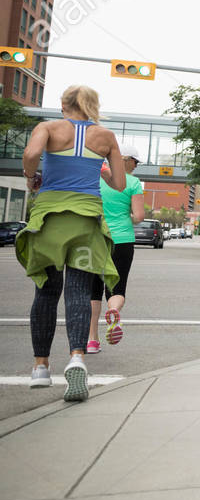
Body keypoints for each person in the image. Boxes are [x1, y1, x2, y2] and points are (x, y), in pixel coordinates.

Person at [16, 85, 126, 401]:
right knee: (78, 291)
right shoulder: (105, 137)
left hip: (50, 219)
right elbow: (119, 184)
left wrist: (30, 175)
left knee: (47, 291)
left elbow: (32, 154)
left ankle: (40, 366)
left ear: (63, 105)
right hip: (86, 221)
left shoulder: (48, 128)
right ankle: (77, 357)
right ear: (92, 106)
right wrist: (99, 168)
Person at [88, 142, 145, 352]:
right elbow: (139, 216)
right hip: (122, 240)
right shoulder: (133, 182)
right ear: (126, 160)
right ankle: (113, 310)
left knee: (93, 289)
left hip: (95, 238)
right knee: (117, 288)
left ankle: (92, 340)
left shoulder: (96, 178)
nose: (137, 165)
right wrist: (125, 216)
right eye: (136, 161)